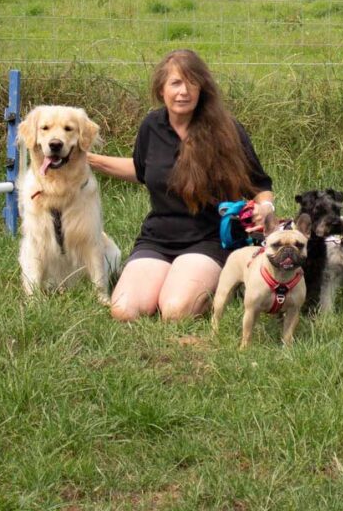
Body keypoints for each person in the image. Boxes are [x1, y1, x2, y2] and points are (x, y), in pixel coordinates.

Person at [87, 49, 274, 321]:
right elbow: (142, 170)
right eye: (175, 83)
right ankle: (172, 278)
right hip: (158, 237)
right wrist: (87, 159)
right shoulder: (151, 126)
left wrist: (266, 207)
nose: (183, 91)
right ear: (161, 89)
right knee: (124, 310)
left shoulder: (226, 129)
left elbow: (259, 183)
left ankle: (222, 280)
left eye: (192, 83)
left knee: (175, 311)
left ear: (203, 89)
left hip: (208, 238)